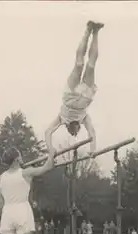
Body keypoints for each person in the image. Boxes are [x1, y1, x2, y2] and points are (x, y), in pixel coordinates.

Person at [45, 20, 104, 155]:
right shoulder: (84, 118)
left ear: (68, 127)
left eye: (74, 131)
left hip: (70, 96)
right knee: (91, 65)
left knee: (79, 64)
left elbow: (48, 132)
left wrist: (50, 149)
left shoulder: (62, 119)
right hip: (84, 98)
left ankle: (88, 30)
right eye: (77, 131)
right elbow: (92, 132)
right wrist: (93, 150)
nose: (76, 130)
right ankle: (95, 33)